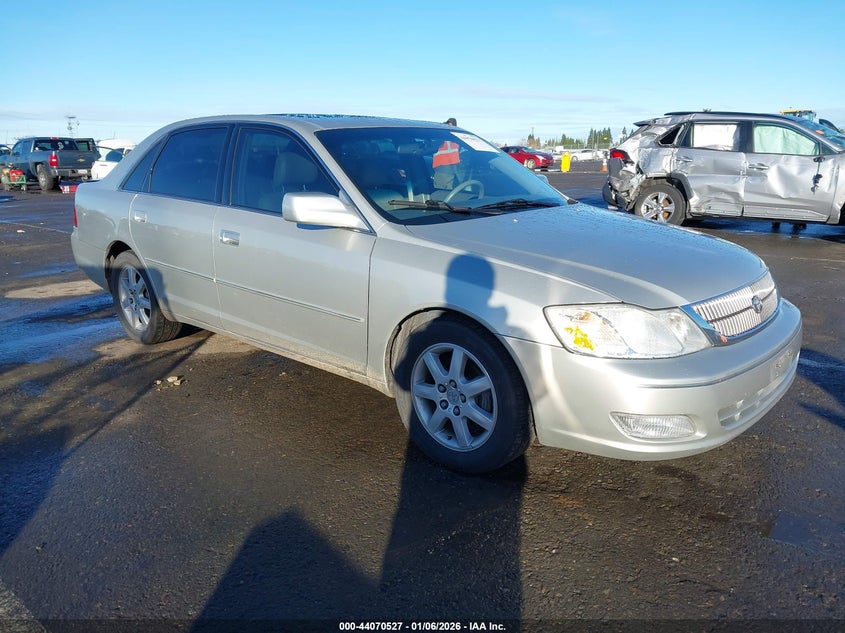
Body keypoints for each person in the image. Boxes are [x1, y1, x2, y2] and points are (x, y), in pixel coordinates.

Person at [433, 118, 460, 189]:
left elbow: (427, 149)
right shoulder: (457, 138)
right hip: (455, 169)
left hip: (443, 169)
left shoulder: (441, 138)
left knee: (442, 191)